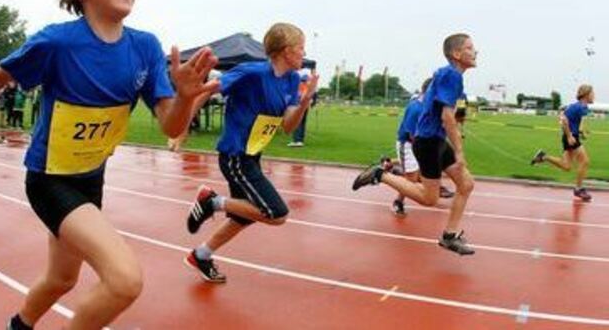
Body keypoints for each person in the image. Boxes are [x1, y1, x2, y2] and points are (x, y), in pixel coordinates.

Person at [0, 0, 217, 328]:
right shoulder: (58, 42)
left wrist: (183, 99)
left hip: (90, 179)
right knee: (124, 280)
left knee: (62, 279)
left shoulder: (146, 47)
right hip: (50, 179)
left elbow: (170, 126)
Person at [184, 22, 319, 283]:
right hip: (235, 155)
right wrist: (183, 127)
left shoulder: (292, 79)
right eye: (301, 48)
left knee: (243, 216)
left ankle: (201, 255)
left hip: (253, 155)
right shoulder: (252, 73)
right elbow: (206, 90)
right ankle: (211, 202)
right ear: (285, 51)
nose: (304, 53)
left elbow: (288, 127)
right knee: (276, 213)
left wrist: (304, 102)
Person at [352, 33, 478, 256]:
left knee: (466, 184)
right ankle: (381, 175)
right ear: (457, 54)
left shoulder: (449, 75)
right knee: (430, 199)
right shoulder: (451, 75)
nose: (475, 52)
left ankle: (450, 236)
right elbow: (447, 118)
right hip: (428, 142)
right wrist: (459, 151)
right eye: (470, 48)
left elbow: (445, 113)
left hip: (435, 140)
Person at [389, 78, 454, 216]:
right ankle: (397, 200)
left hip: (423, 143)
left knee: (426, 169)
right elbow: (413, 136)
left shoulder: (429, 105)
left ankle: (392, 167)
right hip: (408, 144)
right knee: (411, 179)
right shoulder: (416, 108)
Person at [531, 84, 594, 201]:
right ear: (586, 94)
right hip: (570, 137)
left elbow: (577, 124)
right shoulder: (578, 107)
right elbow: (563, 119)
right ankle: (579, 189)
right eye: (592, 93)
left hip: (572, 136)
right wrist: (569, 135)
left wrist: (582, 133)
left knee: (567, 166)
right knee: (585, 161)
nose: (594, 95)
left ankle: (543, 156)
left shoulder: (583, 107)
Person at [287, 73, 317, 147]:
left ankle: (297, 140)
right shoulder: (308, 86)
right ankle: (300, 140)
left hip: (299, 107)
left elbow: (300, 97)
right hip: (305, 107)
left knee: (297, 123)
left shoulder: (301, 86)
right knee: (302, 123)